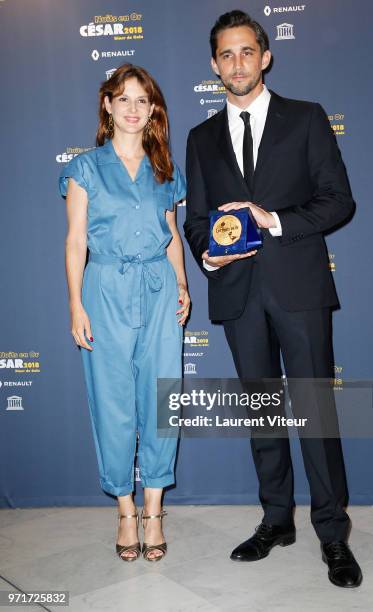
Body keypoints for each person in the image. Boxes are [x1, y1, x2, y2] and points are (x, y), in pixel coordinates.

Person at [184, 10, 362, 587]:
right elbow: (197, 221)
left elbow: (338, 201)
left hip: (299, 289)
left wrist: (275, 221)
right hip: (238, 293)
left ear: (266, 56)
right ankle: (276, 519)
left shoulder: (307, 119)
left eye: (246, 52)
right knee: (263, 413)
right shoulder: (200, 137)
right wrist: (210, 254)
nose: (237, 63)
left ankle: (332, 534)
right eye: (225, 55)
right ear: (215, 65)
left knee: (315, 411)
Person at [59, 63, 190, 562]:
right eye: (124, 99)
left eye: (143, 100)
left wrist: (182, 284)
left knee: (161, 400)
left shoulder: (165, 169)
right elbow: (75, 241)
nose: (134, 108)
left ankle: (153, 511)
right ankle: (123, 508)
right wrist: (75, 304)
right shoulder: (85, 167)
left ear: (152, 109)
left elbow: (171, 232)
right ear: (108, 105)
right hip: (105, 289)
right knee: (112, 403)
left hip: (158, 290)